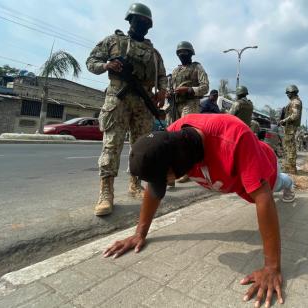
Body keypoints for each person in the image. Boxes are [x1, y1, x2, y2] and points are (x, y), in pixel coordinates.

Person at [103, 114, 295, 307]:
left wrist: (272, 268)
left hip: (266, 168)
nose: (167, 182)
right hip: (232, 182)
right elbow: (153, 191)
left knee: (278, 183)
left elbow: (264, 198)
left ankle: (290, 184)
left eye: (166, 177)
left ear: (180, 160)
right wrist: (139, 233)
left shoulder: (235, 136)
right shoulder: (171, 140)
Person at [86, 3, 167, 216]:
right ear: (129, 20)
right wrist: (107, 66)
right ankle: (106, 193)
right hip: (118, 98)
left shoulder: (154, 53)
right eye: (138, 21)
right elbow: (91, 61)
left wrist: (162, 91)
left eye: (146, 23)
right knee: (112, 145)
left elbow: (162, 77)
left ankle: (135, 185)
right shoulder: (113, 42)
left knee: (141, 147)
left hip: (143, 102)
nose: (142, 25)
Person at [168, 41, 209, 183]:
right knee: (172, 137)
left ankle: (187, 170)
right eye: (179, 52)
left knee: (185, 138)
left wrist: (189, 89)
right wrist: (169, 93)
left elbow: (205, 87)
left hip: (190, 103)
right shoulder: (175, 71)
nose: (182, 55)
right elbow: (170, 87)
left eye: (185, 52)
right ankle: (172, 170)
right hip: (175, 105)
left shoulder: (197, 67)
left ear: (191, 54)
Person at [279, 85, 302, 174]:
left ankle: (291, 168)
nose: (287, 95)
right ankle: (289, 166)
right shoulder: (294, 101)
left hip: (291, 127)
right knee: (287, 146)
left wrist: (283, 121)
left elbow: (295, 115)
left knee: (290, 147)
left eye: (288, 93)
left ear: (291, 93)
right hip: (289, 127)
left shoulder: (295, 102)